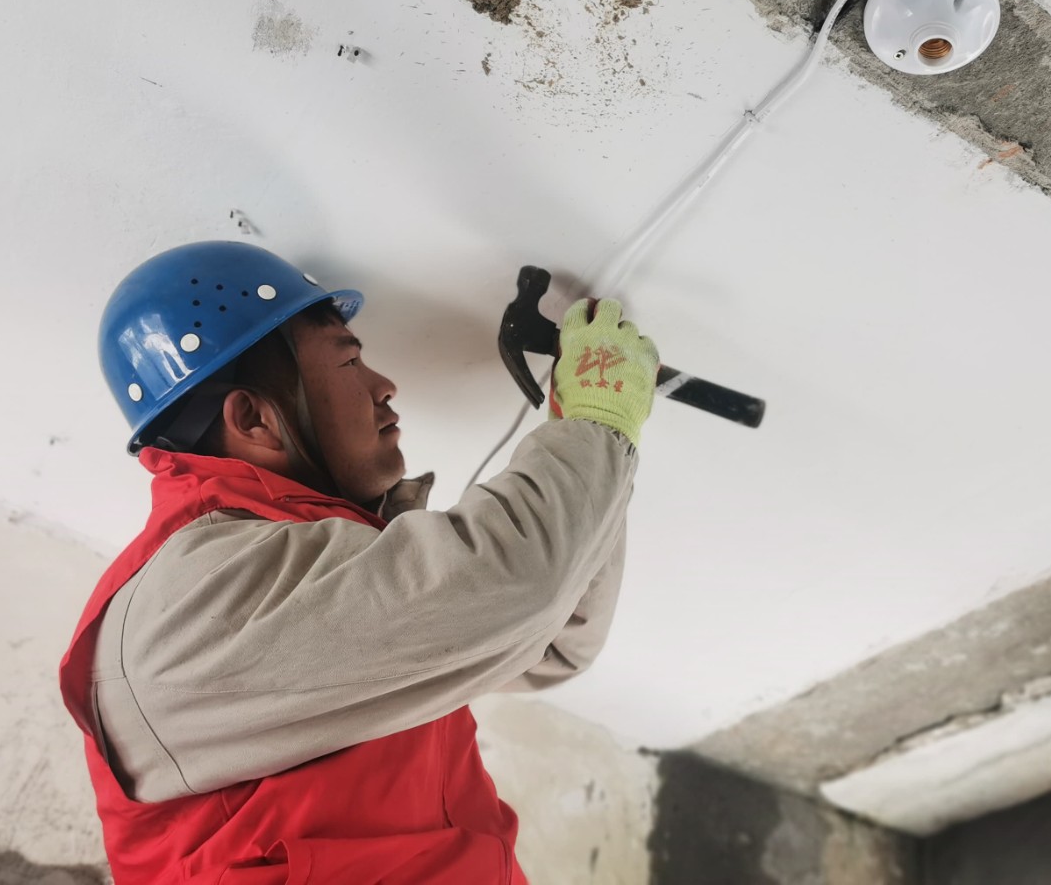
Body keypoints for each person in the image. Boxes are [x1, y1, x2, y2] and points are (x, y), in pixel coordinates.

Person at [58, 241, 657, 884]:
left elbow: (553, 642)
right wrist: (594, 429)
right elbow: (525, 589)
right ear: (253, 418)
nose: (384, 386)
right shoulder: (197, 594)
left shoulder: (322, 580)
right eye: (350, 360)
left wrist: (588, 450)